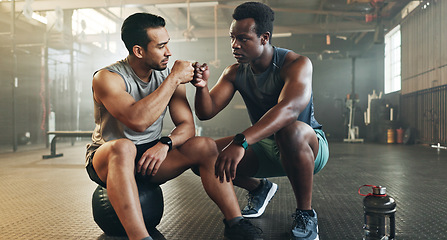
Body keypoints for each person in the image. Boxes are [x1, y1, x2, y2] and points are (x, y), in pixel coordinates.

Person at [85, 12, 262, 240]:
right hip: (107, 158)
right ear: (139, 51)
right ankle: (141, 238)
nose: (168, 52)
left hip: (149, 156)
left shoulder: (169, 77)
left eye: (168, 44)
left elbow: (187, 127)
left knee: (205, 145)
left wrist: (165, 144)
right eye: (161, 46)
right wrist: (173, 79)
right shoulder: (107, 78)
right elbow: (137, 121)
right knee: (124, 147)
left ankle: (235, 223)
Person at [191, 2, 329, 240]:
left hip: (308, 146)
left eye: (243, 39)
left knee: (291, 132)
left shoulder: (296, 64)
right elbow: (206, 111)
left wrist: (241, 141)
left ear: (264, 38)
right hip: (265, 144)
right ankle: (259, 188)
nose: (235, 45)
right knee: (199, 155)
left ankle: (306, 214)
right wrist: (201, 87)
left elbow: (289, 110)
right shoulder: (234, 72)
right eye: (232, 38)